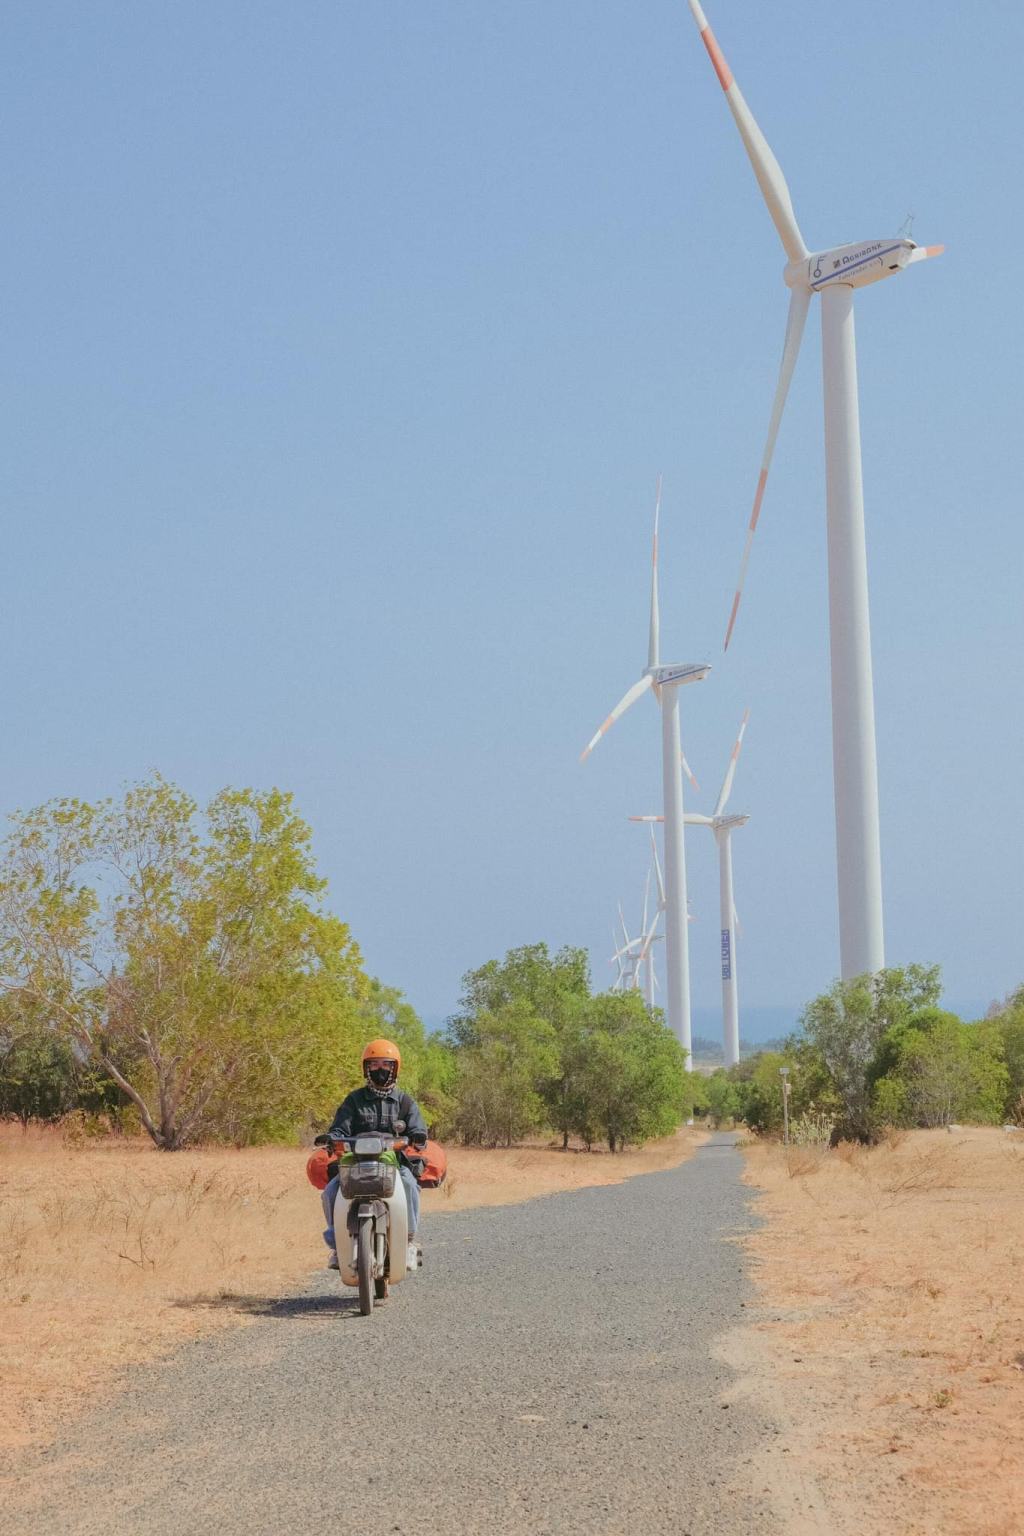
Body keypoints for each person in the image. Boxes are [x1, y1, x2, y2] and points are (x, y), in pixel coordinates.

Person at [321, 1038, 428, 1275]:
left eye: (386, 1064)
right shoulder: (354, 1100)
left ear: (395, 1068)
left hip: (392, 1164)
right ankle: (338, 1246)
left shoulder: (405, 1102)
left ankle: (408, 1242)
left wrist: (418, 1135)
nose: (380, 1070)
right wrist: (333, 1137)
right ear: (366, 1068)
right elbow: (340, 1129)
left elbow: (417, 1128)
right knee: (330, 1191)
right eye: (374, 1064)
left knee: (410, 1184)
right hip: (357, 1164)